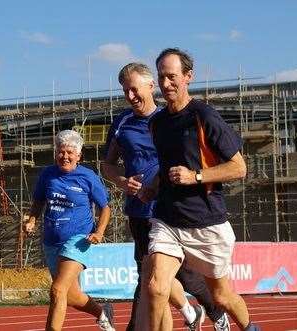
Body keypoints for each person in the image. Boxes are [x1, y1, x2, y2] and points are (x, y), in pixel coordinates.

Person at [102, 62, 230, 331]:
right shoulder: (122, 122)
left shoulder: (167, 119)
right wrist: (122, 181)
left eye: (135, 90)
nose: (130, 96)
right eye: (125, 91)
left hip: (171, 210)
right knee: (149, 278)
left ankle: (215, 312)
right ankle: (188, 311)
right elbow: (108, 166)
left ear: (151, 86)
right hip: (138, 212)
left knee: (187, 278)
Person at [142, 48, 260, 331]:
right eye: (161, 77)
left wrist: (195, 176)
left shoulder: (204, 115)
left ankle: (251, 328)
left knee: (221, 296)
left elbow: (239, 168)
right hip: (168, 219)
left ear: (188, 77)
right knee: (157, 287)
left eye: (172, 77)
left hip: (205, 222)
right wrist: (152, 185)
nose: (166, 84)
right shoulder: (157, 123)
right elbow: (168, 165)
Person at [23, 130, 115, 331]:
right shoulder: (47, 175)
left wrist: (99, 232)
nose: (65, 156)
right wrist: (32, 219)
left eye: (70, 153)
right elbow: (38, 201)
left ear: (79, 155)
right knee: (71, 296)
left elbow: (105, 207)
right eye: (61, 152)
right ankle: (102, 312)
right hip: (51, 242)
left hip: (78, 240)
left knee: (57, 290)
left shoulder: (88, 177)